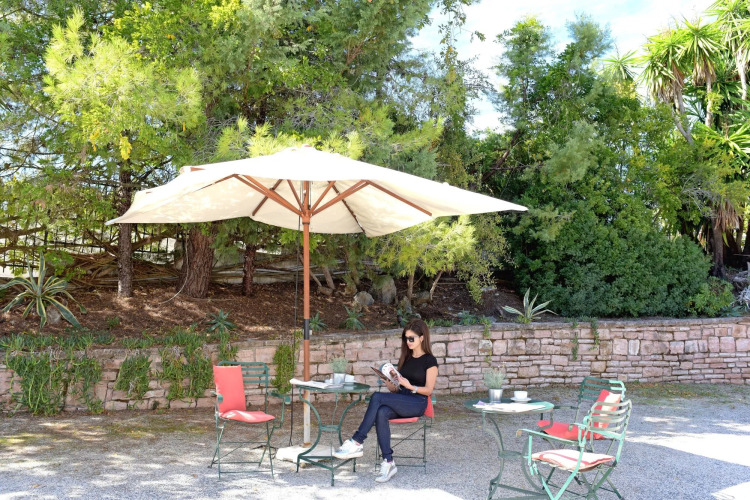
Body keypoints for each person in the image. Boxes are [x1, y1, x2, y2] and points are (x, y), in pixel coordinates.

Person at [332, 319, 438, 483]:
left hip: (417, 402)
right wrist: (391, 385)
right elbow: (397, 390)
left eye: (411, 338)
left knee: (376, 397)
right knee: (381, 412)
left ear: (422, 338)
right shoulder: (406, 358)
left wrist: (411, 386)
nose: (408, 342)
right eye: (406, 338)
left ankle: (357, 441)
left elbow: (429, 390)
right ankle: (388, 462)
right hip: (403, 399)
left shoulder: (429, 360)